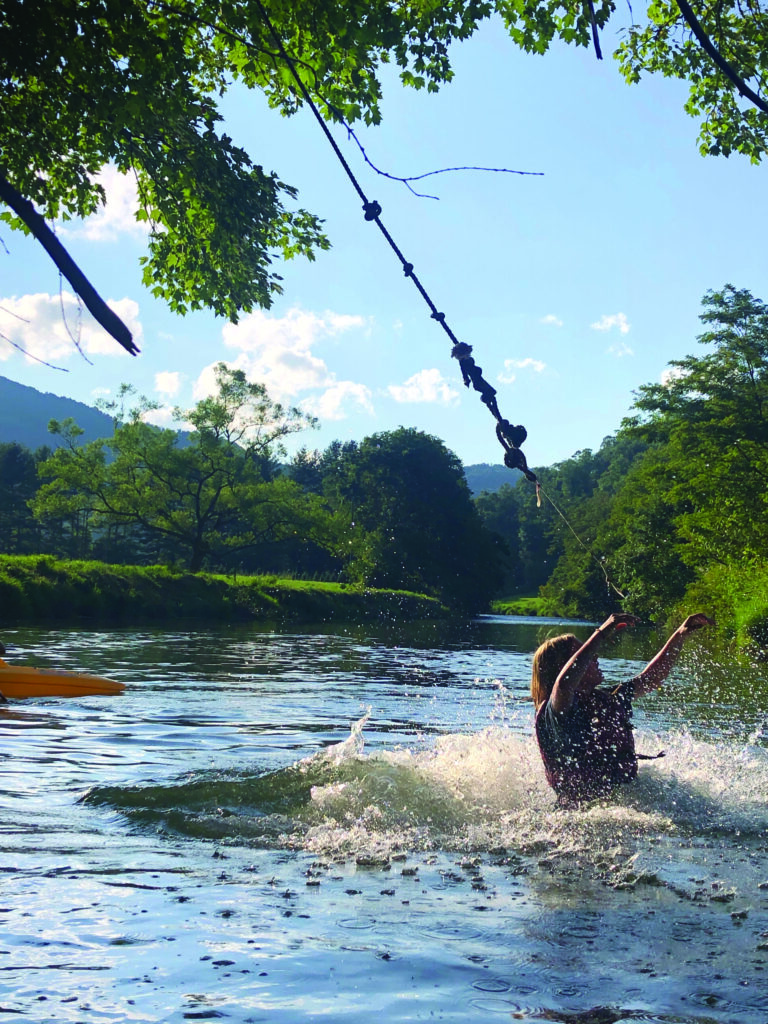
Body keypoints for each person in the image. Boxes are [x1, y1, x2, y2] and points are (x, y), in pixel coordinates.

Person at [531, 611, 713, 807]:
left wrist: (680, 634)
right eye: (586, 653)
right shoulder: (556, 712)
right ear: (566, 667)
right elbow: (564, 685)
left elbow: (650, 679)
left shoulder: (607, 698)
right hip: (578, 811)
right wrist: (601, 632)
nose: (595, 657)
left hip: (620, 801)